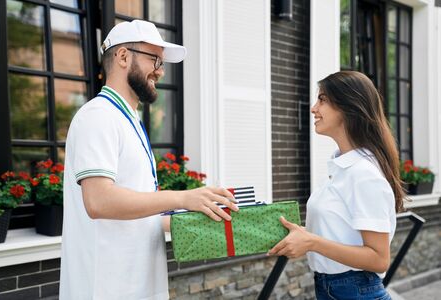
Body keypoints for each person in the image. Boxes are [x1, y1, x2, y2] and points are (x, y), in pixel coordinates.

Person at [59, 20, 238, 300]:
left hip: (136, 286)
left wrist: (206, 214)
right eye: (154, 59)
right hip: (106, 289)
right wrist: (182, 198)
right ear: (122, 56)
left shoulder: (127, 120)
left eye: (162, 62)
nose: (161, 70)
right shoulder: (98, 116)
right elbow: (99, 202)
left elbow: (140, 215)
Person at [268, 71, 404, 300]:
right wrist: (304, 235)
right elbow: (340, 232)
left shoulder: (363, 174)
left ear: (348, 108)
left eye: (322, 100)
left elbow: (379, 258)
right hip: (332, 288)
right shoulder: (342, 167)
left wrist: (312, 242)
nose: (313, 108)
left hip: (355, 291)